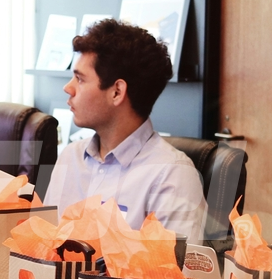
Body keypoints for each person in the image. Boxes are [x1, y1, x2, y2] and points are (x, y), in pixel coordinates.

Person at [43, 19, 207, 244]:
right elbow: (41, 252)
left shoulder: (172, 176)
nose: (68, 88)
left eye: (80, 79)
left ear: (117, 92)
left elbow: (175, 276)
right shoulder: (70, 157)